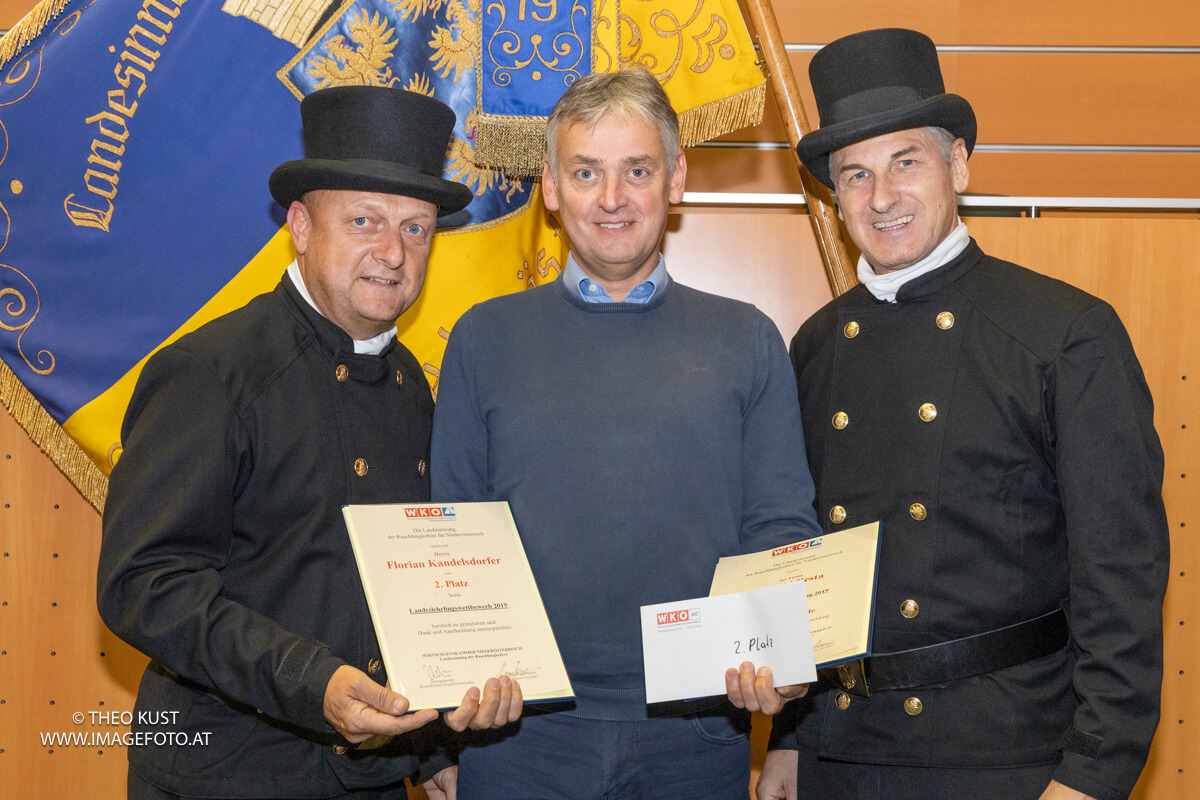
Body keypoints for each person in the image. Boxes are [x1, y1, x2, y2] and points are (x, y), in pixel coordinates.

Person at [759, 28, 1170, 800]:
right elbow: (803, 556)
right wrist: (791, 739)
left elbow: (1121, 575)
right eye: (855, 175)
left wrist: (1093, 771)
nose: (882, 198)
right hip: (842, 755)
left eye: (905, 162)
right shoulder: (816, 344)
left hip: (1005, 758)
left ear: (958, 164)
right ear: (834, 195)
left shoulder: (1063, 333)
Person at [97, 86, 522, 800]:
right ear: (300, 225)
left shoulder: (411, 386)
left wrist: (430, 750)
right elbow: (144, 584)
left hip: (373, 776)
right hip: (224, 777)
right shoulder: (211, 372)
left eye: (416, 229)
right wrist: (309, 681)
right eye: (364, 221)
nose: (393, 253)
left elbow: (403, 589)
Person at [430, 66, 822, 799]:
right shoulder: (483, 339)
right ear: (551, 187)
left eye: (637, 170)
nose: (611, 198)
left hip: (697, 733)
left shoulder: (747, 339)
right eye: (586, 172)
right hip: (518, 736)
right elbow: (453, 534)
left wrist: (784, 665)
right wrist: (439, 737)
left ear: (676, 179)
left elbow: (779, 527)